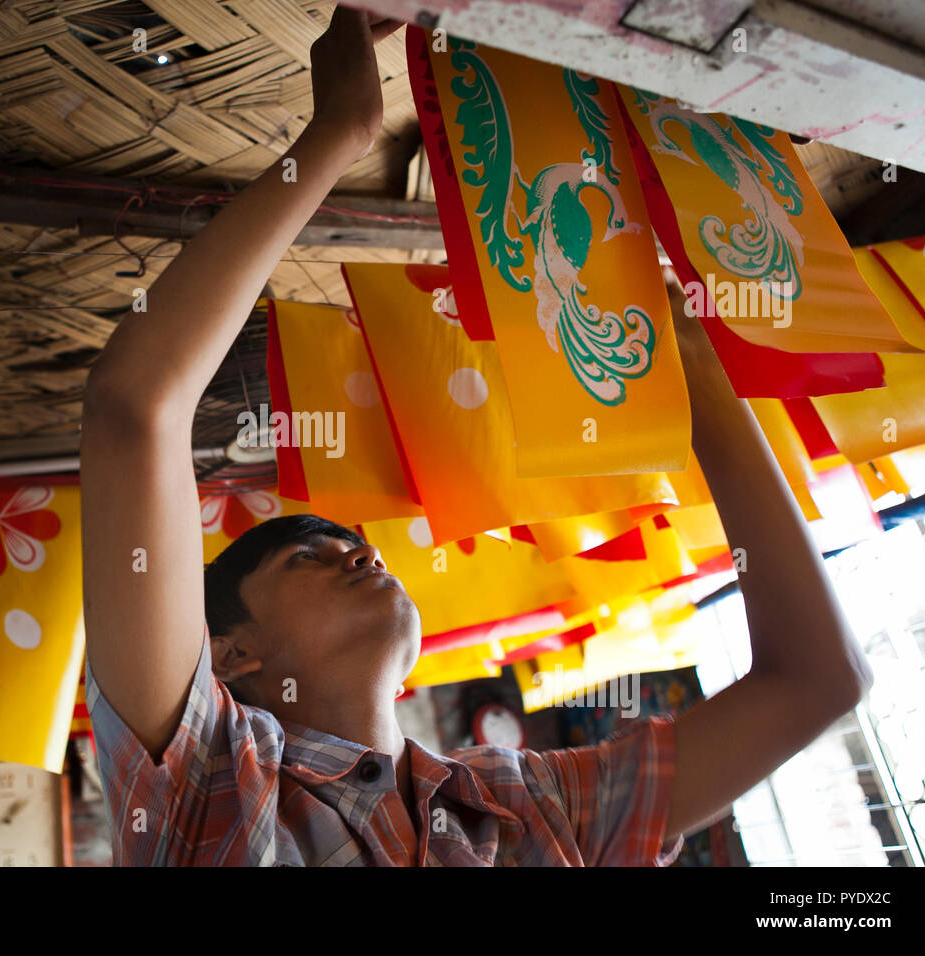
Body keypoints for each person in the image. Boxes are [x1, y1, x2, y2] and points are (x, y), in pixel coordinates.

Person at [77, 5, 873, 866]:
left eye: (349, 547)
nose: (364, 555)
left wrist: (687, 353)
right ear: (228, 656)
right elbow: (135, 407)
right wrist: (338, 131)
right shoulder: (211, 787)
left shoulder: (520, 799)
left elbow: (816, 684)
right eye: (308, 557)